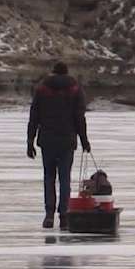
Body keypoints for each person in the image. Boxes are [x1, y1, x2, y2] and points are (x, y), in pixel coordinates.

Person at [27, 62, 90, 229]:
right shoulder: (75, 89)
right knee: (64, 179)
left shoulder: (42, 89)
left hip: (47, 140)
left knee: (49, 178)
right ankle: (64, 216)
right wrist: (84, 140)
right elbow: (79, 117)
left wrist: (30, 141)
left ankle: (49, 215)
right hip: (67, 141)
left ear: (53, 72)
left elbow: (34, 116)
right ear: (67, 72)